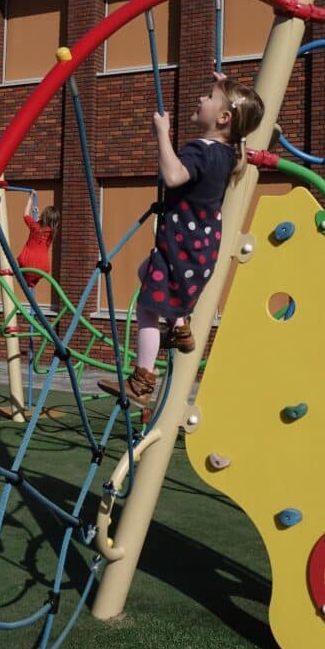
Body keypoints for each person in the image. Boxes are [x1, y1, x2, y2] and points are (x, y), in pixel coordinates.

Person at [98, 73, 264, 407]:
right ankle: (179, 326)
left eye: (209, 96)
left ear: (224, 117)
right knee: (145, 273)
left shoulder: (200, 150)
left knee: (147, 307)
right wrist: (226, 83)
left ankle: (141, 381)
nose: (201, 99)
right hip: (199, 252)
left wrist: (162, 133)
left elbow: (173, 176)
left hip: (179, 250)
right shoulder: (229, 154)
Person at [16, 193, 59, 289]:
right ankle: (30, 284)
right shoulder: (53, 232)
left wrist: (30, 198)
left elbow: (25, 214)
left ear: (44, 216)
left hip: (27, 261)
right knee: (31, 283)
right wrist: (39, 217)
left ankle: (28, 283)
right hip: (42, 267)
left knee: (19, 271)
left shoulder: (34, 226)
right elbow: (45, 227)